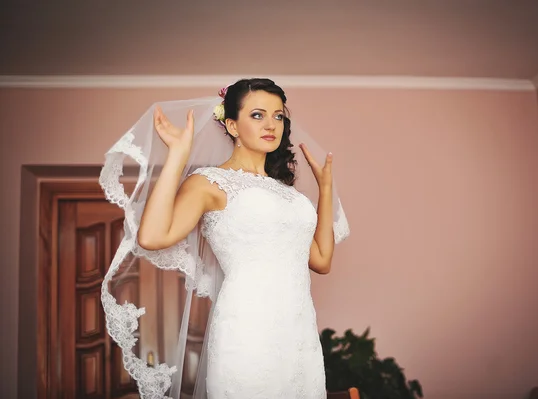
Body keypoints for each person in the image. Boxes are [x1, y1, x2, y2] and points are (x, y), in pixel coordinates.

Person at [99, 78, 350, 399]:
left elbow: (322, 261)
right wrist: (177, 154)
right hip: (245, 327)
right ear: (232, 125)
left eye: (278, 116)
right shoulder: (209, 182)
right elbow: (151, 236)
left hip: (298, 333)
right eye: (258, 115)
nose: (271, 124)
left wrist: (325, 189)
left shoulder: (289, 194)